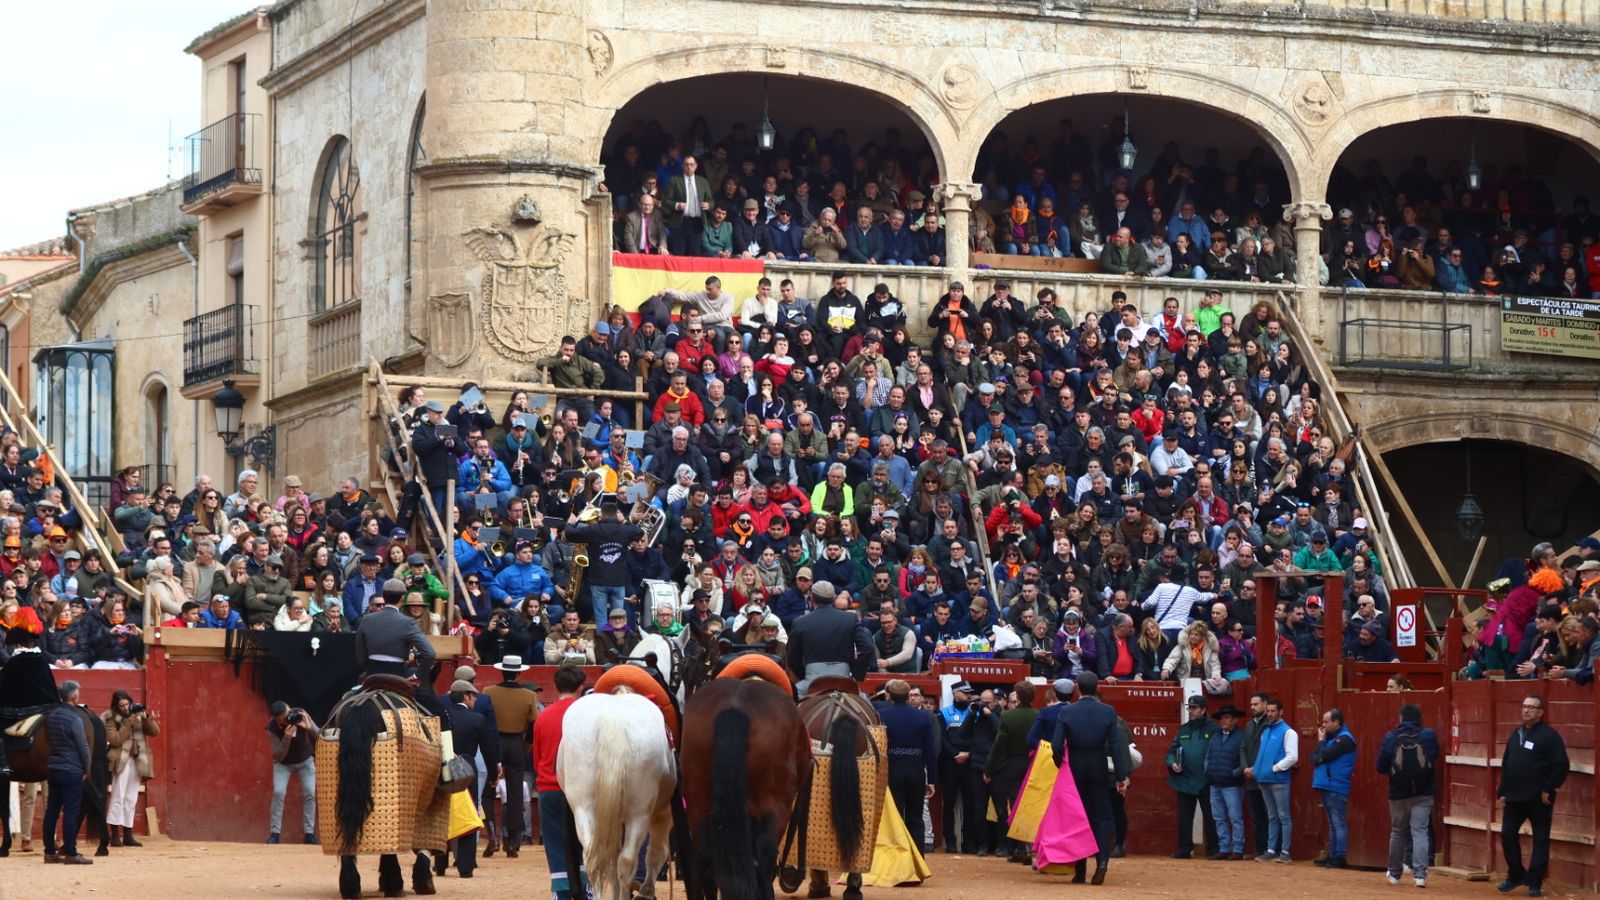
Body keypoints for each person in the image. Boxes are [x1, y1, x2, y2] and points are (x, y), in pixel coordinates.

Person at [1051, 672, 1132, 884]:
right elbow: (1115, 746)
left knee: (1078, 817)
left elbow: (1056, 744)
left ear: (1078, 688)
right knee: (1102, 816)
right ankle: (1102, 861)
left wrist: (1060, 764)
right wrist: (1121, 775)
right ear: (1097, 687)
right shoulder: (1107, 712)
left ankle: (1080, 871)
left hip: (1075, 768)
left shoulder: (1067, 712)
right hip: (1098, 766)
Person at [1496, 694, 1569, 897]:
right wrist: (1502, 789)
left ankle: (1535, 882)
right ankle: (1516, 874)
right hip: (1514, 797)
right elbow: (1507, 763)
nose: (1526, 710)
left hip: (1539, 798)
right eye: (1524, 706)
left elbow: (1561, 764)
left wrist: (1549, 788)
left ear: (1540, 712)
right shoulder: (1515, 734)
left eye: (1531, 707)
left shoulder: (1549, 736)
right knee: (1507, 835)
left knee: (1540, 839)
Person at [532, 664, 589, 900]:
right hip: (583, 789)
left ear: (555, 687)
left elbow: (537, 757)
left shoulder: (544, 716)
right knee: (585, 842)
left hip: (550, 787)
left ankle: (562, 893)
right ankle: (586, 890)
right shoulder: (586, 714)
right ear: (582, 687)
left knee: (556, 844)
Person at [483, 653, 541, 856]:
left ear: (501, 671)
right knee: (516, 791)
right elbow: (533, 726)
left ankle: (492, 834)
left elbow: (484, 721)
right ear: (518, 674)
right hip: (517, 743)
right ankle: (513, 840)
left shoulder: (488, 692)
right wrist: (525, 747)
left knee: (489, 788)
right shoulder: (529, 696)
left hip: (494, 742)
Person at [1377, 703, 1440, 888]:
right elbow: (1433, 757)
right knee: (1419, 831)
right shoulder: (1428, 735)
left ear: (1401, 718)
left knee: (1398, 832)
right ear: (1419, 719)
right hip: (1423, 792)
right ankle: (1420, 876)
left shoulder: (1391, 737)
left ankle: (1395, 875)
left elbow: (1380, 767)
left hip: (1398, 793)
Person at [447, 678, 499, 879]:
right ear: (465, 696)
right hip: (465, 766)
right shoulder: (477, 719)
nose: (475, 700)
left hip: (444, 765)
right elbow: (489, 751)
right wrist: (493, 776)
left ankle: (440, 861)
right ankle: (466, 865)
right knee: (467, 811)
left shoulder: (443, 716)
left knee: (443, 810)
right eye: (473, 696)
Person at [784, 580, 875, 694]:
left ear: (811, 598)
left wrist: (803, 674)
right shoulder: (849, 619)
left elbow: (792, 656)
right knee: (866, 708)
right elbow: (867, 647)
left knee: (788, 702)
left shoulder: (800, 622)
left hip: (812, 679)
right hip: (843, 678)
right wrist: (856, 675)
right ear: (833, 598)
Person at [880, 679, 937, 854]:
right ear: (908, 696)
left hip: (892, 770)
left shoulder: (882, 715)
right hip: (915, 770)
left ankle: (895, 859)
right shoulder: (923, 717)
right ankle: (918, 859)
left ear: (889, 695)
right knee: (916, 818)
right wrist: (932, 780)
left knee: (894, 818)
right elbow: (930, 750)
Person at [983, 680, 1037, 862]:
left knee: (1015, 806)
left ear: (1019, 697)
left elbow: (999, 746)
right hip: (1033, 764)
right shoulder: (1038, 716)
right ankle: (1030, 846)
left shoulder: (1008, 717)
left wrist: (989, 769)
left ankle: (1023, 848)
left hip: (1013, 764)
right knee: (1032, 805)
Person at [41, 680, 92, 864]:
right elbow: (83, 746)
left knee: (51, 811)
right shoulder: (75, 719)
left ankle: (49, 852)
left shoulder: (51, 716)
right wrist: (86, 768)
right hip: (71, 770)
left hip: (54, 768)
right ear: (75, 696)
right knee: (70, 812)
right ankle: (70, 853)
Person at [102, 689, 159, 847]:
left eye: (128, 704)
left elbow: (155, 732)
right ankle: (114, 836)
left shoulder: (136, 715)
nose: (126, 708)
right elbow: (115, 740)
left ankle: (128, 834)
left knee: (131, 798)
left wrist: (146, 718)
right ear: (116, 706)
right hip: (120, 761)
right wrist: (129, 722)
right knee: (118, 796)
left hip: (136, 760)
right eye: (122, 706)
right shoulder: (111, 718)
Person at [1165, 694, 1217, 859]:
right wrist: (1172, 762)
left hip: (1206, 781)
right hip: (1185, 780)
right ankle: (1184, 848)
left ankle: (1213, 849)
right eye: (1189, 708)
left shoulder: (1213, 729)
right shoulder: (1183, 730)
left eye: (1194, 708)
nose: (1190, 711)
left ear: (1203, 710)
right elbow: (1172, 752)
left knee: (1211, 816)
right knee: (1184, 818)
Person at [354, 578, 435, 677]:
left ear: (383, 596)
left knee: (351, 693)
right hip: (397, 673)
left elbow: (361, 657)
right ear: (402, 598)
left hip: (372, 673)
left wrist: (369, 669)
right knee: (426, 691)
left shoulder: (366, 619)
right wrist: (417, 677)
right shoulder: (408, 622)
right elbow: (430, 654)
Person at [1250, 696, 1298, 863]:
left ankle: (1284, 852)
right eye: (1268, 711)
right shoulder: (1266, 731)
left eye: (1273, 711)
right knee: (1272, 816)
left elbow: (1292, 757)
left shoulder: (1289, 732)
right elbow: (1261, 755)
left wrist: (1274, 768)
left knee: (1283, 816)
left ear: (1280, 712)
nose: (1269, 714)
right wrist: (1257, 770)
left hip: (1278, 780)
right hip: (1264, 779)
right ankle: (1271, 850)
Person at [265, 700, 320, 845]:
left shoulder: (300, 714)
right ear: (277, 719)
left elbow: (319, 734)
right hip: (283, 765)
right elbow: (278, 755)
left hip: (305, 761)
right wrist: (286, 739)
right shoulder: (271, 727)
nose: (289, 717)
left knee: (310, 793)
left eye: (289, 713)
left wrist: (308, 728)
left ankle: (309, 834)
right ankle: (275, 834)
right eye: (285, 718)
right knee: (278, 793)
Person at [1309, 707, 1355, 869]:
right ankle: (1332, 855)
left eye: (1327, 722)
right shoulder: (1332, 739)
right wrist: (1322, 750)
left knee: (1338, 823)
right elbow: (1314, 758)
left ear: (1337, 722)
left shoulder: (1344, 739)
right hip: (1328, 784)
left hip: (1336, 785)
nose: (1323, 725)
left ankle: (1340, 857)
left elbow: (1325, 756)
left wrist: (1321, 743)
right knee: (1333, 823)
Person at [937, 680, 979, 854]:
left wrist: (968, 754)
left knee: (970, 803)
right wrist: (955, 754)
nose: (969, 695)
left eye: (970, 693)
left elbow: (979, 737)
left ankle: (969, 842)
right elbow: (942, 738)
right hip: (950, 763)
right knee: (949, 804)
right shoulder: (944, 713)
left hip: (970, 763)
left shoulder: (975, 713)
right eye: (965, 692)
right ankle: (951, 842)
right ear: (955, 694)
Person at [1205, 704, 1247, 860]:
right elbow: (1208, 756)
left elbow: (1245, 761)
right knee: (1219, 817)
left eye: (1227, 718)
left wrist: (1233, 774)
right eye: (1222, 718)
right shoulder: (1215, 736)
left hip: (1232, 785)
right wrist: (1208, 770)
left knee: (1235, 817)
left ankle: (1237, 849)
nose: (1223, 721)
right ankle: (1224, 847)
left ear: (1235, 720)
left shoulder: (1241, 737)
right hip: (1215, 783)